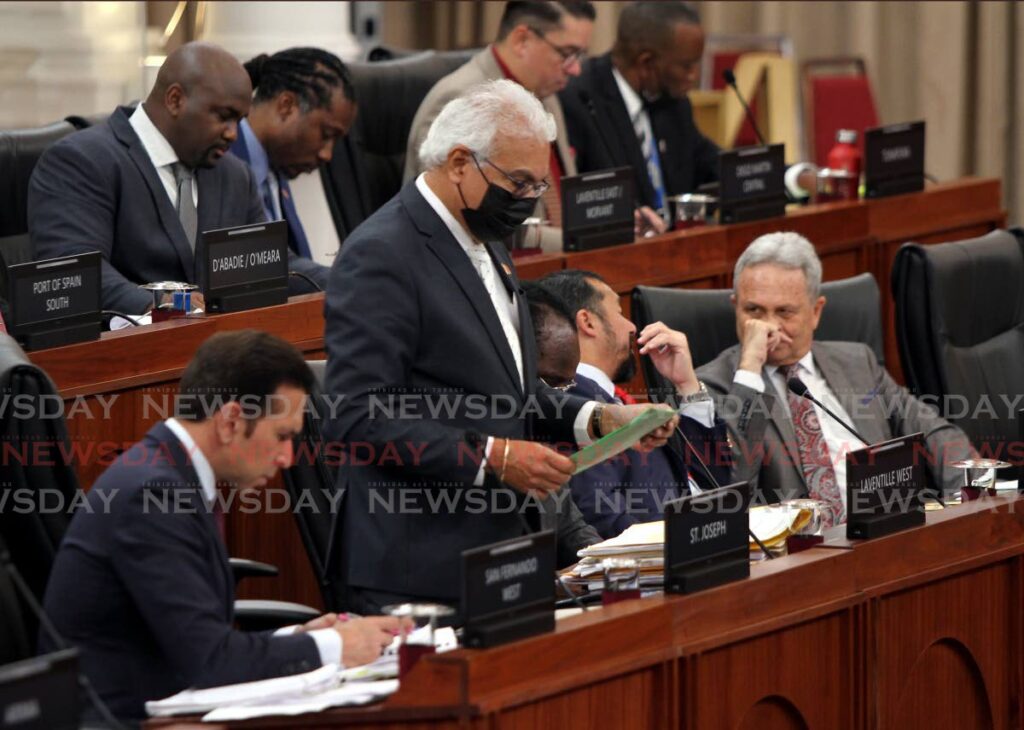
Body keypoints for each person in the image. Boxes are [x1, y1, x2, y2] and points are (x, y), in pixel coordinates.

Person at [323, 79, 676, 613]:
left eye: (537, 186)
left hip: (499, 548)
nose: (529, 201)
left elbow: (506, 389)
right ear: (460, 162)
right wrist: (494, 455)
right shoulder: (381, 254)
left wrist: (599, 419)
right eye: (519, 183)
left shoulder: (487, 241)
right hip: (417, 562)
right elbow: (356, 415)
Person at [40, 330, 406, 723]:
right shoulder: (152, 495)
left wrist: (298, 639)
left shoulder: (170, 474)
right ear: (231, 420)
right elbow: (210, 662)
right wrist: (334, 646)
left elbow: (203, 646)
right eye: (282, 436)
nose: (287, 457)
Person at [28, 41, 328, 315]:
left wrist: (349, 277)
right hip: (125, 359)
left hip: (222, 355)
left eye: (238, 121)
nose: (232, 134)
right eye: (223, 116)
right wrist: (170, 304)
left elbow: (275, 266)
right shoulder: (83, 161)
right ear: (175, 100)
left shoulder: (234, 175)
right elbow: (76, 275)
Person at [697, 232, 975, 527]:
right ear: (735, 307)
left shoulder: (857, 362)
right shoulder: (714, 386)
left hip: (887, 530)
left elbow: (936, 434)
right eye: (753, 310)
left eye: (784, 312)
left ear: (816, 312)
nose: (769, 326)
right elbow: (729, 493)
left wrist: (971, 501)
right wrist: (750, 367)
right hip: (799, 553)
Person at [540, 270, 731, 537]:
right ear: (588, 322)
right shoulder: (574, 407)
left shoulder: (613, 398)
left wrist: (688, 387)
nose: (632, 327)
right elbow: (605, 520)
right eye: (619, 312)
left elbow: (716, 485)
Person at [403, 1, 595, 252]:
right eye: (567, 53)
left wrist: (607, 222)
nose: (576, 68)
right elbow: (454, 219)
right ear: (522, 40)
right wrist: (576, 240)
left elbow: (562, 201)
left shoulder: (545, 95)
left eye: (581, 55)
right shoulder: (462, 98)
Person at [560, 1, 718, 213]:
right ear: (646, 63)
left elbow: (710, 164)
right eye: (686, 66)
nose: (694, 76)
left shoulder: (672, 102)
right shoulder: (578, 100)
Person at [231, 47, 358, 261]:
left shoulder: (276, 168)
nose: (327, 155)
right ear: (286, 106)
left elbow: (288, 266)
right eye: (326, 134)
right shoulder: (220, 165)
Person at [522, 280, 601, 561]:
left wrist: (615, 565)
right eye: (549, 384)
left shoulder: (546, 441)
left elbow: (572, 530)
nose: (558, 401)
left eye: (566, 386)